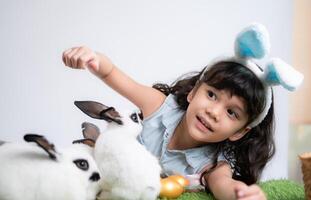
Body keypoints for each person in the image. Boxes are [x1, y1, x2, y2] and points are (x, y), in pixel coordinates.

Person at [62, 24, 303, 200]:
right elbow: (111, 73)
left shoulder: (213, 164)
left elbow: (223, 185)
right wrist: (92, 58)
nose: (214, 112)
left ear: (240, 132)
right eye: (212, 95)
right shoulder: (159, 106)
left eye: (232, 113)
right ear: (193, 92)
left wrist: (240, 194)